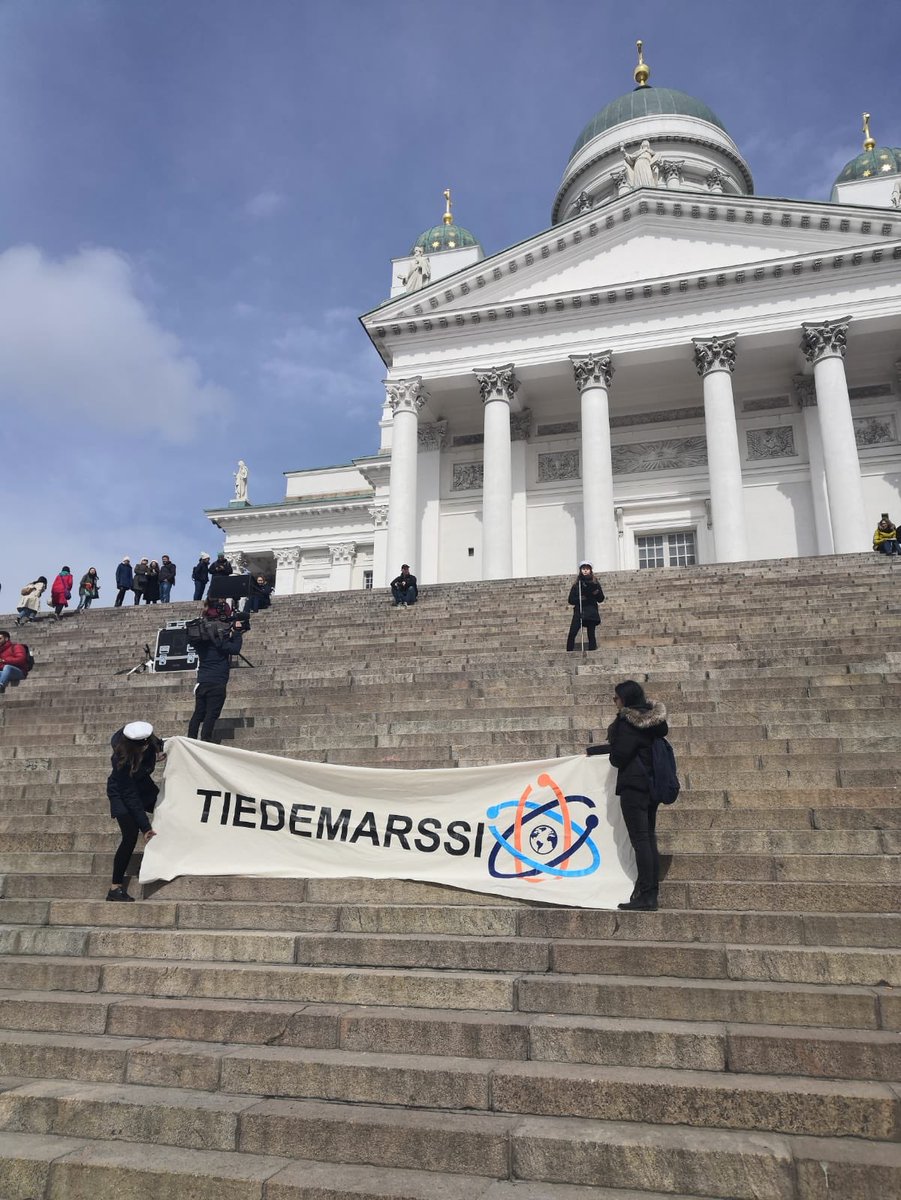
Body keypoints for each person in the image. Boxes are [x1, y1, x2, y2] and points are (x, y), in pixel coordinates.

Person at [587, 680, 669, 911]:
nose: (615, 702)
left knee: (640, 840)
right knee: (647, 839)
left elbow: (619, 756)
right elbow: (633, 747)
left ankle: (647, 895)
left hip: (634, 787)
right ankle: (649, 892)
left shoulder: (628, 722)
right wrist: (594, 751)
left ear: (625, 699)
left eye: (616, 698)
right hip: (651, 786)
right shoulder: (652, 722)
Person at [106, 720, 163, 901]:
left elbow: (160, 743)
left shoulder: (147, 738)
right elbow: (131, 797)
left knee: (166, 807)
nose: (147, 746)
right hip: (121, 793)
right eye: (144, 746)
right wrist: (145, 827)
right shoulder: (121, 760)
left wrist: (161, 752)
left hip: (143, 784)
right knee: (130, 835)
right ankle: (115, 888)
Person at [187, 610, 245, 742]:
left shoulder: (200, 642)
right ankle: (206, 740)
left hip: (202, 682)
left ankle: (191, 740)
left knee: (198, 713)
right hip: (217, 683)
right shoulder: (219, 643)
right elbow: (235, 649)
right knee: (211, 714)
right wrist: (237, 633)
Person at [566, 562, 605, 651]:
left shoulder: (595, 583)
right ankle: (569, 651)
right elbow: (571, 600)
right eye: (583, 569)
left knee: (591, 633)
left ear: (590, 570)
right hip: (579, 611)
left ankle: (592, 651)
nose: (585, 570)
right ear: (580, 570)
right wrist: (580, 598)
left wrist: (596, 592)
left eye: (587, 569)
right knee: (572, 632)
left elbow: (601, 598)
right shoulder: (577, 584)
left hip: (591, 610)